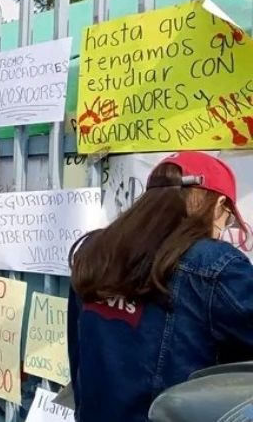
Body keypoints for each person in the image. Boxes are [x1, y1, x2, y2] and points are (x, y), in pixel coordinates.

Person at [67, 151, 253, 422]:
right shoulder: (211, 264)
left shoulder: (95, 252)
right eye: (228, 219)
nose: (223, 228)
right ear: (218, 204)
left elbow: (78, 360)